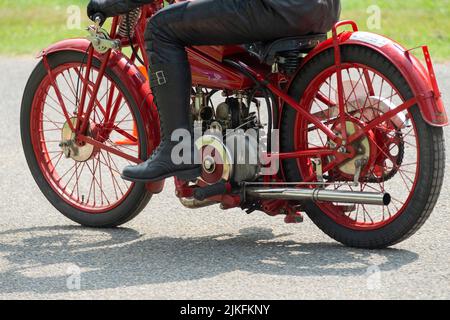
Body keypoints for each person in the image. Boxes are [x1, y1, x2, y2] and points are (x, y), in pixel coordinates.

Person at [87, 0, 341, 182]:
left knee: (160, 28)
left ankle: (176, 148)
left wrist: (110, 4)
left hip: (274, 8)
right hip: (323, 9)